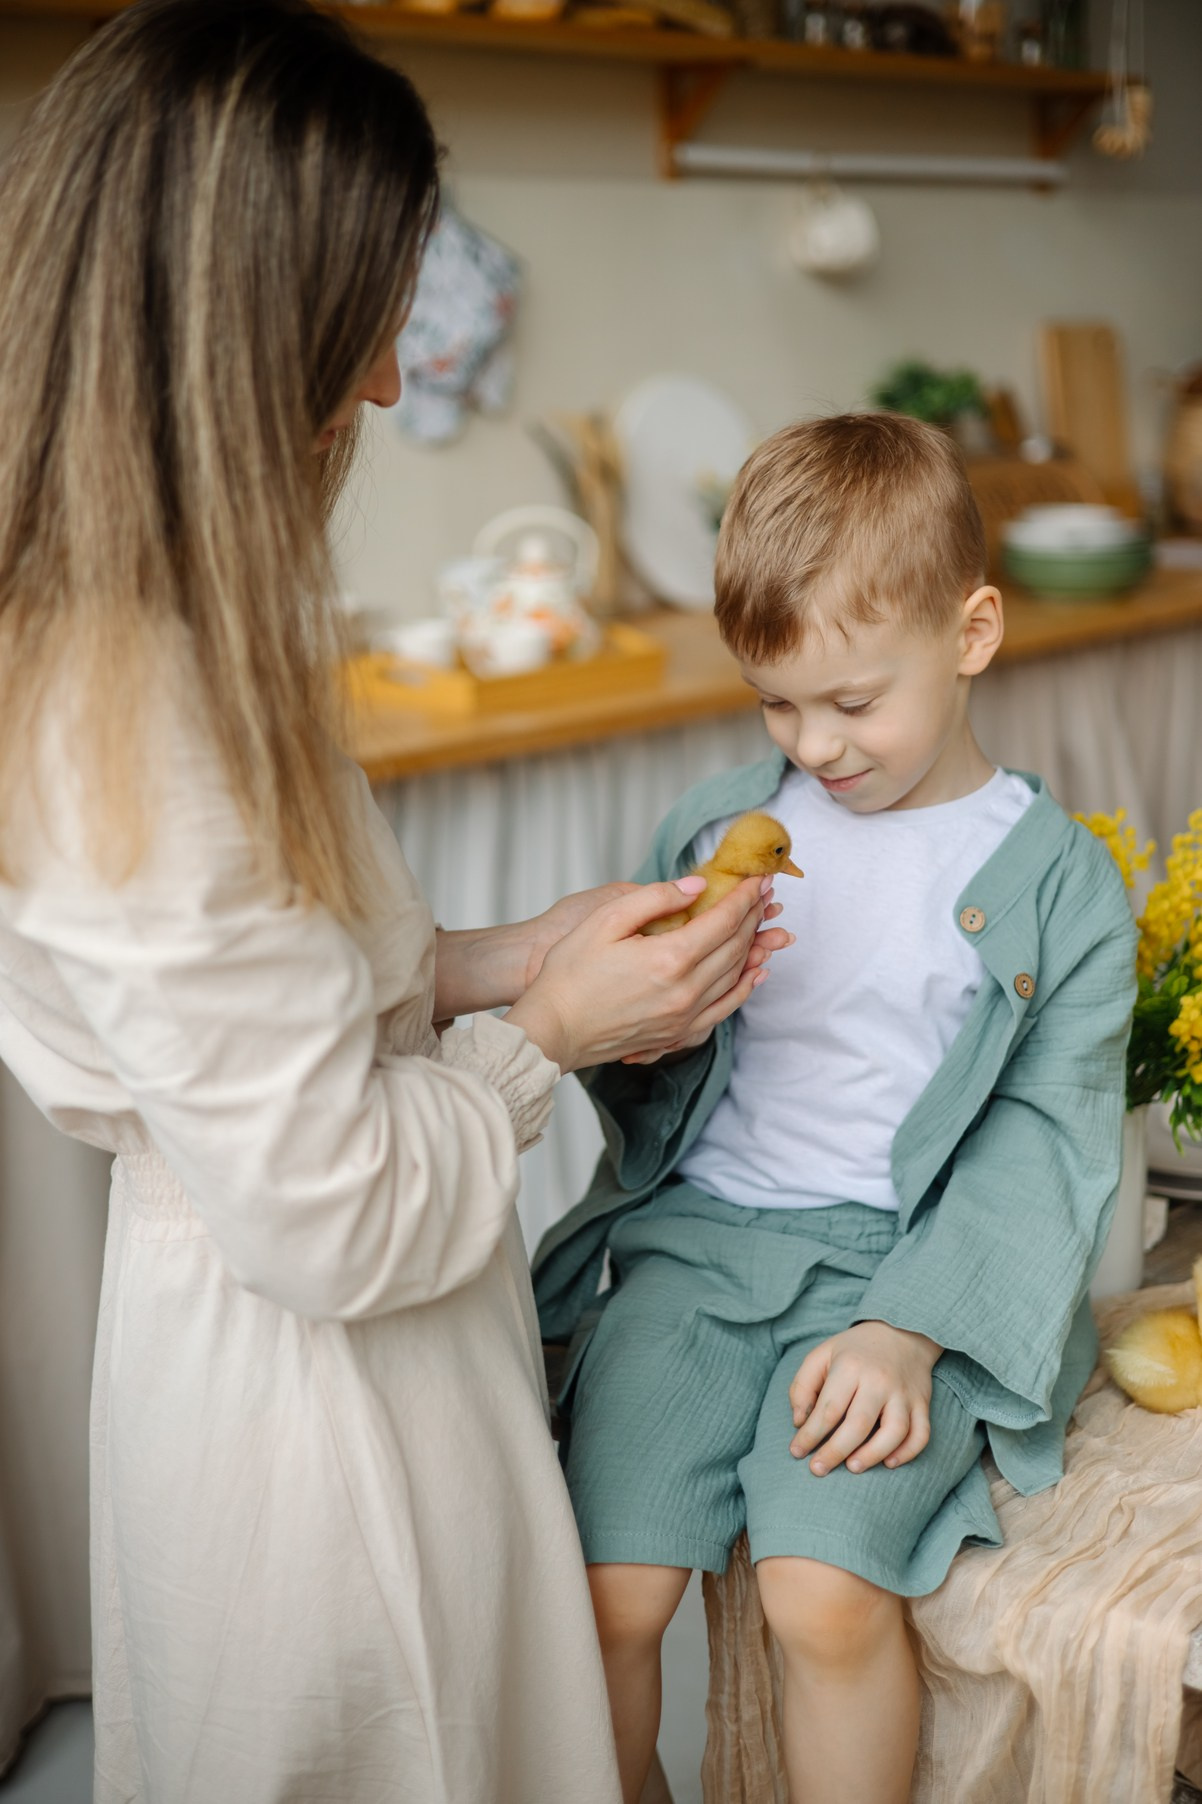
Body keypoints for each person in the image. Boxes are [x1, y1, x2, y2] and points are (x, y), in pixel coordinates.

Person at [0, 5, 791, 1800]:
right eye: (367, 320)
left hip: (359, 1354)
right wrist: (547, 1040)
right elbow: (333, 1214)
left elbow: (294, 995)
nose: (383, 384)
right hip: (305, 1412)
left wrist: (500, 956)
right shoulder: (120, 715)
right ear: (239, 319)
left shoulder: (180, 622)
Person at [533, 413, 1138, 1804]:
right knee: (606, 1592)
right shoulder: (711, 828)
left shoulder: (1059, 884)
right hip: (696, 1254)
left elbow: (1039, 1142)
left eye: (852, 701)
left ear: (970, 632)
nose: (814, 746)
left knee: (818, 1594)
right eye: (774, 702)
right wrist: (642, 1004)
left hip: (891, 1273)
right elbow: (637, 1088)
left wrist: (905, 1330)